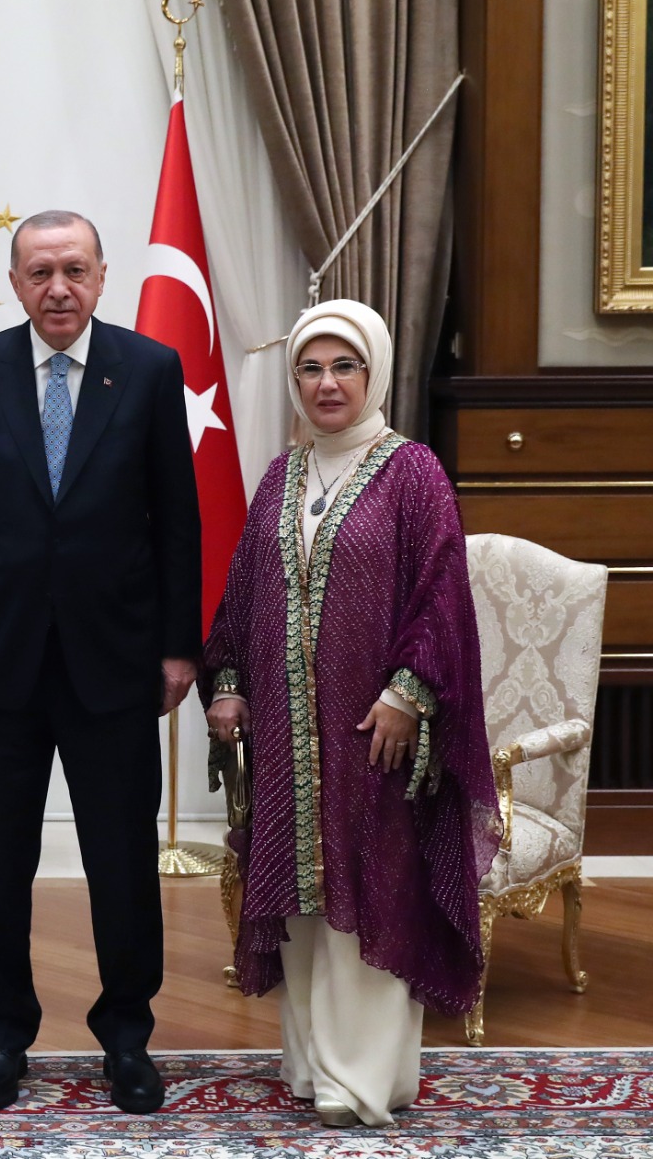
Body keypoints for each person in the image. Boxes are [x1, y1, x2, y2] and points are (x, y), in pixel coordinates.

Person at [0, 210, 201, 1113]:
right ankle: (4, 1035)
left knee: (122, 861)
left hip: (115, 660)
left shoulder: (149, 369)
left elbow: (178, 521)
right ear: (15, 285)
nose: (58, 288)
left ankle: (127, 1036)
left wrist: (179, 646)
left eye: (74, 269)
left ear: (102, 276)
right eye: (39, 272)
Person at [202, 298, 500, 1128]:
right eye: (310, 368)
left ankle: (365, 1078)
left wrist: (408, 693)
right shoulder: (281, 476)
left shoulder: (413, 472)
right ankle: (312, 1064)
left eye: (345, 366)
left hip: (375, 733)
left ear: (375, 373)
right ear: (294, 380)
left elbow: (441, 597)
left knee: (371, 888)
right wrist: (228, 681)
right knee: (301, 896)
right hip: (286, 734)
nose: (327, 383)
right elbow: (243, 594)